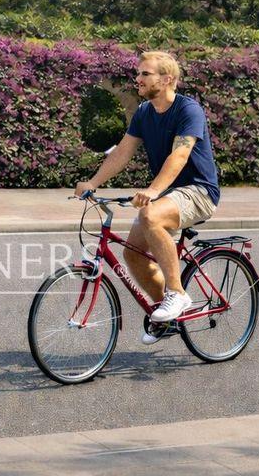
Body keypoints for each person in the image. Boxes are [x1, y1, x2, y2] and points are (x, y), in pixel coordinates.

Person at [74, 51, 220, 344]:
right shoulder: (144, 112)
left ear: (167, 80)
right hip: (169, 195)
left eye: (145, 74)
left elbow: (180, 154)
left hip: (199, 191)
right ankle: (165, 317)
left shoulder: (188, 110)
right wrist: (93, 182)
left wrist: (153, 190)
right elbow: (122, 153)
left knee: (150, 214)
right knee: (132, 254)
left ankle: (177, 294)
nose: (137, 78)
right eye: (138, 73)